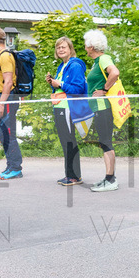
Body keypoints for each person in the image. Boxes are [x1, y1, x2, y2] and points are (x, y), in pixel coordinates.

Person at [46, 36, 92, 186]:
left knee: (69, 141)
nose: (60, 50)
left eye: (63, 47)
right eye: (58, 47)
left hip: (68, 108)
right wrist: (53, 83)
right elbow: (62, 86)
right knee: (65, 141)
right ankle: (70, 174)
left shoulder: (75, 66)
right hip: (59, 106)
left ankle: (74, 176)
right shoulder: (62, 66)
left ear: (70, 49)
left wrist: (60, 83)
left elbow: (78, 89)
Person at [83, 29, 122, 192]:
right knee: (104, 142)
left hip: (102, 106)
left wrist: (104, 89)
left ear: (91, 46)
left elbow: (115, 73)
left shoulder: (104, 58)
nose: (85, 47)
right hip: (97, 106)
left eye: (86, 44)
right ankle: (109, 178)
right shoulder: (97, 62)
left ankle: (111, 179)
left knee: (106, 142)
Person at [0, 27, 23, 180]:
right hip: (1, 96)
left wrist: (0, 104)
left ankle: (15, 168)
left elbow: (8, 82)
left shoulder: (5, 56)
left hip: (6, 97)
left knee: (8, 134)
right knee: (3, 134)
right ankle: (10, 166)